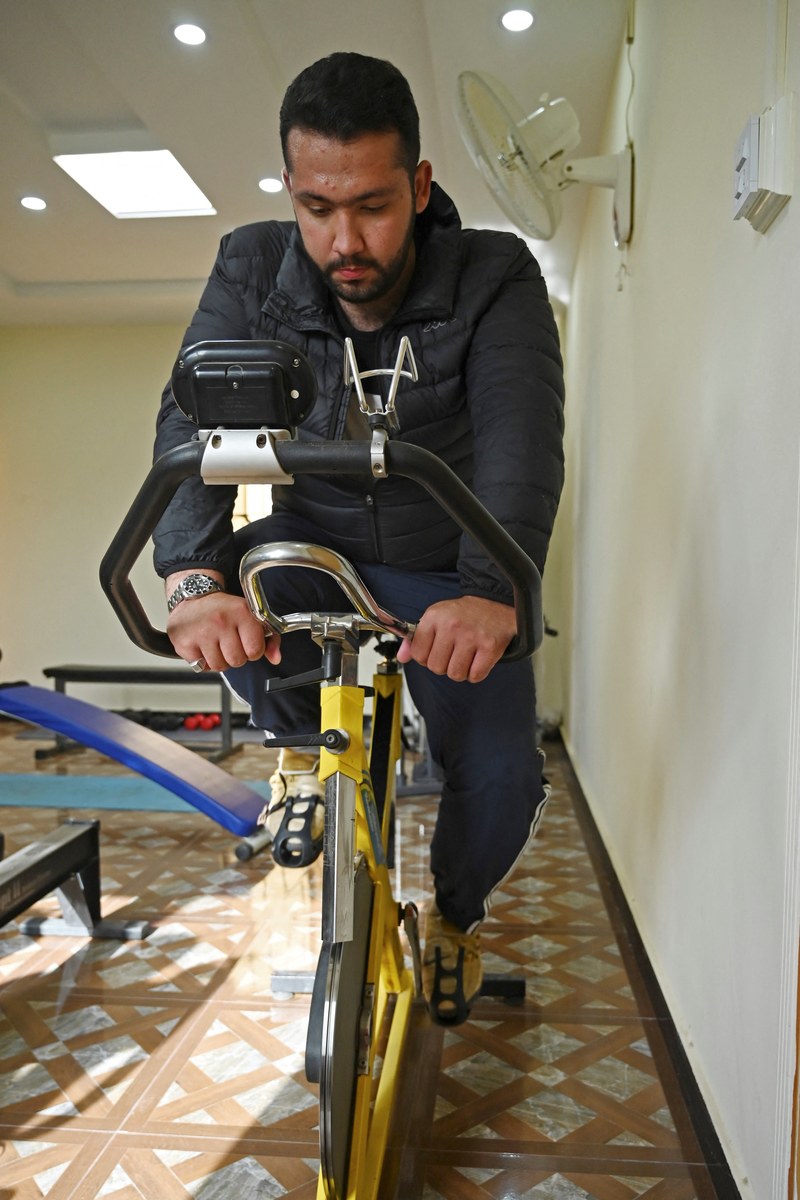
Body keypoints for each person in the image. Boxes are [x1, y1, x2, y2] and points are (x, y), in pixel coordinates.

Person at [153, 52, 565, 1026]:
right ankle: (302, 751)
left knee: (503, 776)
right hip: (313, 544)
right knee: (244, 596)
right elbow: (193, 422)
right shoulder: (253, 267)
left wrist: (491, 590)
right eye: (316, 207)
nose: (344, 241)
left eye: (373, 207)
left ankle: (455, 917)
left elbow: (520, 439)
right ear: (290, 192)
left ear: (418, 187)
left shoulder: (494, 274)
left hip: (450, 564)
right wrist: (192, 575)